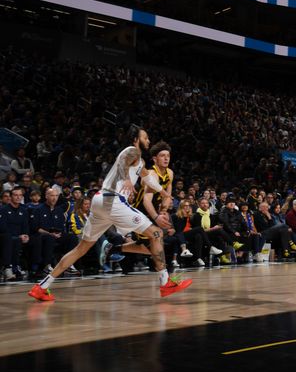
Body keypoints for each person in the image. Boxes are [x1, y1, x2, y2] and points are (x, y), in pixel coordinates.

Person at [28, 125, 192, 301]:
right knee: (157, 233)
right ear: (136, 139)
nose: (148, 140)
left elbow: (148, 178)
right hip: (113, 200)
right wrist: (128, 179)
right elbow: (123, 163)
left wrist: (164, 192)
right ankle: (165, 283)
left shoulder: (141, 162)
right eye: (145, 137)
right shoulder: (132, 151)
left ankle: (42, 286)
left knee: (81, 248)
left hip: (100, 201)